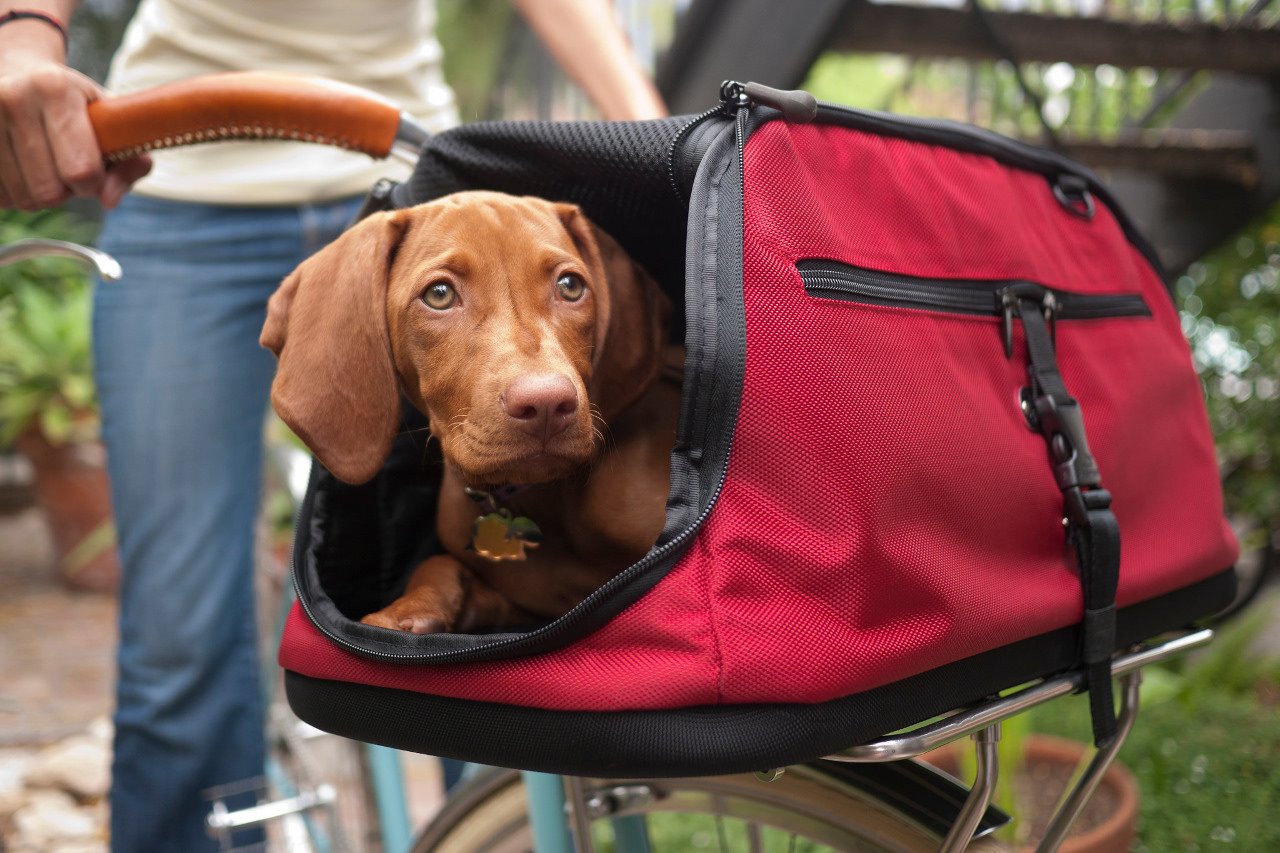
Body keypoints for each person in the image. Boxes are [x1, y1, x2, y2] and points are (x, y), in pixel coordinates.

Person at [0, 1, 666, 850]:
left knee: (501, 628)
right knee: (179, 646)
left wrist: (649, 127)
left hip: (406, 168)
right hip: (183, 172)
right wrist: (25, 34)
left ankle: (496, 834)